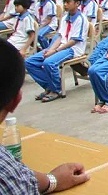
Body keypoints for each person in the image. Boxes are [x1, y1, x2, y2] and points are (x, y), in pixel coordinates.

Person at [0, 38, 91, 194]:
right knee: (35, 61)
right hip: (58, 48)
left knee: (49, 61)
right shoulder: (7, 176)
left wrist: (51, 181)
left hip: (70, 48)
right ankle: (52, 87)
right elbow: (15, 179)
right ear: (15, 101)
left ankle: (54, 88)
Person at [25, 0, 88, 103]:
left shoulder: (81, 19)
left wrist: (55, 51)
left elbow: (73, 41)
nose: (65, 5)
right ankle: (48, 86)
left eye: (68, 2)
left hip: (73, 49)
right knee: (30, 62)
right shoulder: (65, 18)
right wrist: (51, 49)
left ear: (77, 3)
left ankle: (57, 89)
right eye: (64, 2)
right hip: (61, 47)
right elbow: (60, 36)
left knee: (49, 63)